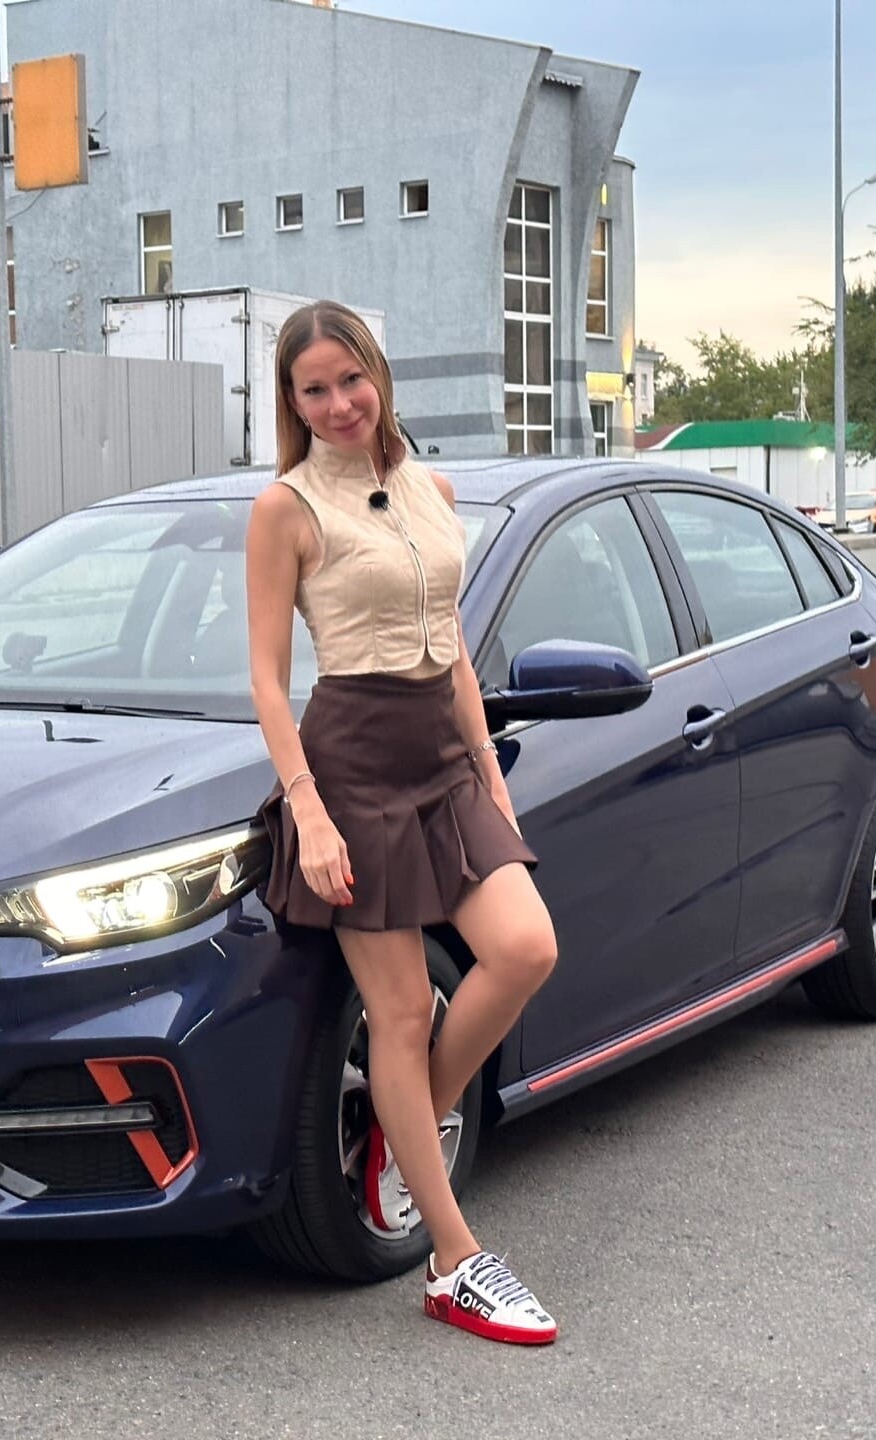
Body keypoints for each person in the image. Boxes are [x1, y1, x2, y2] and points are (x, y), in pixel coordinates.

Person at [245, 300, 561, 1345]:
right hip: (355, 763)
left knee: (524, 948)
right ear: (292, 403)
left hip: (444, 757)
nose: (339, 403)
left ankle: (406, 1120)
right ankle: (455, 1259)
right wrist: (310, 812)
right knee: (404, 1011)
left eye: (351, 379)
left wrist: (488, 771)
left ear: (378, 373)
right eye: (314, 389)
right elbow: (268, 679)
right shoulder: (286, 509)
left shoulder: (433, 488)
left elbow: (453, 644)